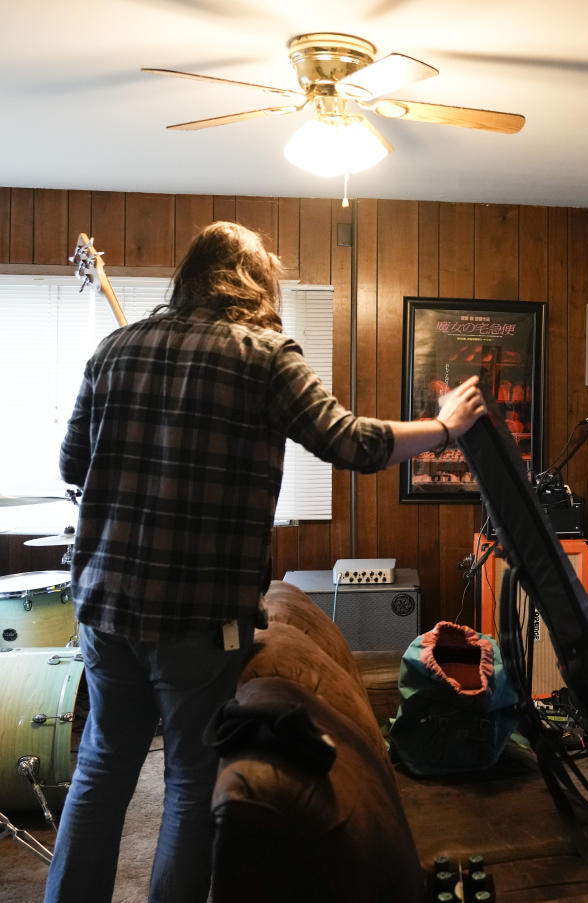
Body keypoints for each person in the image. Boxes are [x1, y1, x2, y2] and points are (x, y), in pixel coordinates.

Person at [47, 221, 487, 903]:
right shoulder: (263, 353)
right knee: (191, 780)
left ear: (189, 276)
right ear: (256, 283)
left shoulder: (114, 349)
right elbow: (351, 442)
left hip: (105, 604)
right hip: (198, 615)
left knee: (101, 769)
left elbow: (72, 464)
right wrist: (444, 428)